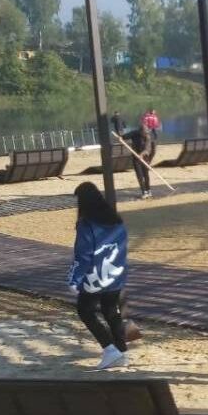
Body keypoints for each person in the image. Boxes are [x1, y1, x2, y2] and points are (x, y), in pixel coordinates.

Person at [68, 182, 129, 370]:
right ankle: (122, 351)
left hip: (95, 277)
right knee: (111, 311)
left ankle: (110, 350)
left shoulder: (86, 224)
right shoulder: (116, 220)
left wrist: (74, 279)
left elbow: (84, 254)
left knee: (85, 311)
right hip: (115, 274)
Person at [126, 125, 155, 199]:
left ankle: (148, 190)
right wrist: (120, 137)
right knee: (139, 176)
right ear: (140, 131)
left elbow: (148, 149)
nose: (146, 134)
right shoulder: (134, 133)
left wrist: (142, 154)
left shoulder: (148, 137)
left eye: (147, 132)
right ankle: (144, 192)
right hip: (136, 158)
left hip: (145, 158)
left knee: (146, 175)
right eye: (144, 132)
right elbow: (124, 136)